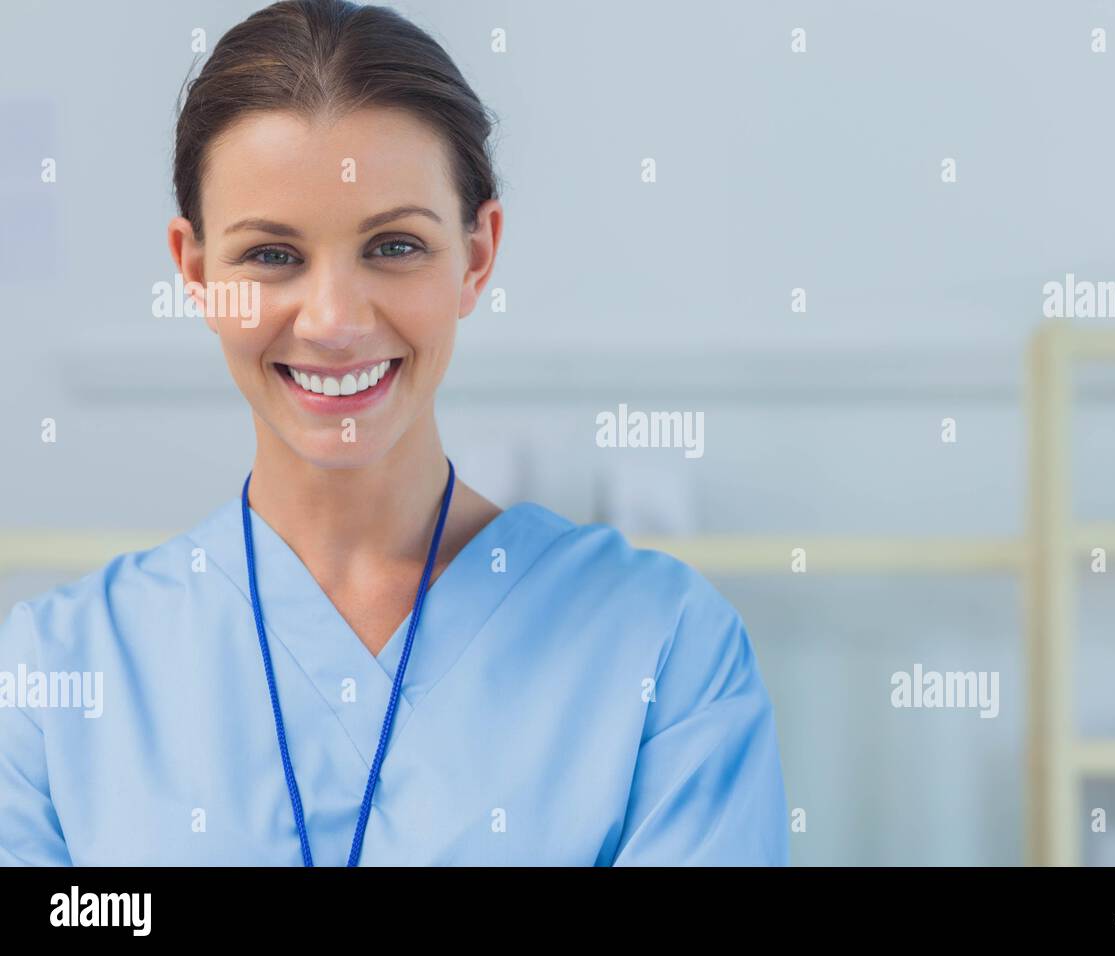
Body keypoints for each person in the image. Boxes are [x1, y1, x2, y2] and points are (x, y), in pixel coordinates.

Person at [0, 0, 789, 866]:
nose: (335, 321)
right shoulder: (54, 678)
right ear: (195, 271)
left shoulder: (663, 647)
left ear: (477, 252)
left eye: (394, 246)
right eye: (271, 255)